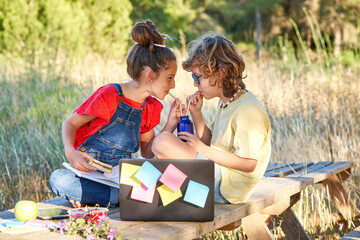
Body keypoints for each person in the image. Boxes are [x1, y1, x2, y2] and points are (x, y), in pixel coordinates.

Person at [49, 20, 182, 208]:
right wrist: (71, 152)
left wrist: (170, 125)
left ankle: (109, 197)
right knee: (59, 180)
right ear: (150, 76)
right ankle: (125, 197)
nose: (173, 85)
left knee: (173, 179)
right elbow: (69, 124)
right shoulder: (109, 95)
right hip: (89, 173)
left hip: (121, 174)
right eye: (170, 78)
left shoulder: (151, 106)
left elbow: (147, 152)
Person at [152, 34, 271, 204]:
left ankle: (165, 196)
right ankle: (167, 197)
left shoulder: (247, 110)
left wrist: (201, 149)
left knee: (162, 142)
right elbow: (210, 142)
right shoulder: (227, 103)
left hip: (228, 188)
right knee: (166, 148)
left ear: (219, 73)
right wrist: (196, 114)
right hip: (220, 176)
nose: (195, 84)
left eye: (197, 77)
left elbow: (249, 163)